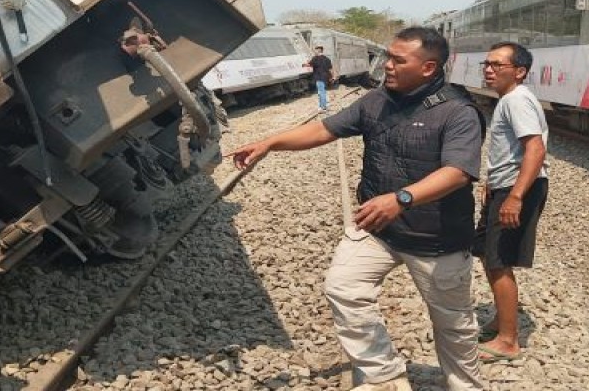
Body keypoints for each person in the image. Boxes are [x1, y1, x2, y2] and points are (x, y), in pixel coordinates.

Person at [231, 27, 486, 391]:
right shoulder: (377, 100)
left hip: (437, 238)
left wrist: (401, 198)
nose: (387, 65)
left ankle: (465, 386)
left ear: (429, 68)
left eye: (399, 60)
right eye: (388, 56)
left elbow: (458, 173)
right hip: (378, 230)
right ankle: (385, 376)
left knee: (453, 326)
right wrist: (270, 142)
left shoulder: (457, 112)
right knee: (344, 289)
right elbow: (324, 130)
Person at [471, 42, 549, 362]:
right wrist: (493, 182)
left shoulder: (516, 100)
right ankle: (502, 321)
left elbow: (535, 149)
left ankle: (508, 340)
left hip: (518, 189)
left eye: (497, 65)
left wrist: (515, 195)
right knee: (489, 255)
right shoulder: (509, 99)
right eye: (486, 64)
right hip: (504, 186)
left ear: (519, 72)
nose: (489, 70)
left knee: (499, 260)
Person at [304, 44, 334, 112]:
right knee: (323, 91)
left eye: (315, 50)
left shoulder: (315, 58)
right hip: (326, 78)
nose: (315, 51)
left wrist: (303, 64)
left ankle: (323, 107)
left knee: (321, 92)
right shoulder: (327, 59)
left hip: (319, 78)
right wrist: (333, 77)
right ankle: (325, 105)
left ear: (318, 50)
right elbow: (331, 70)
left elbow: (309, 64)